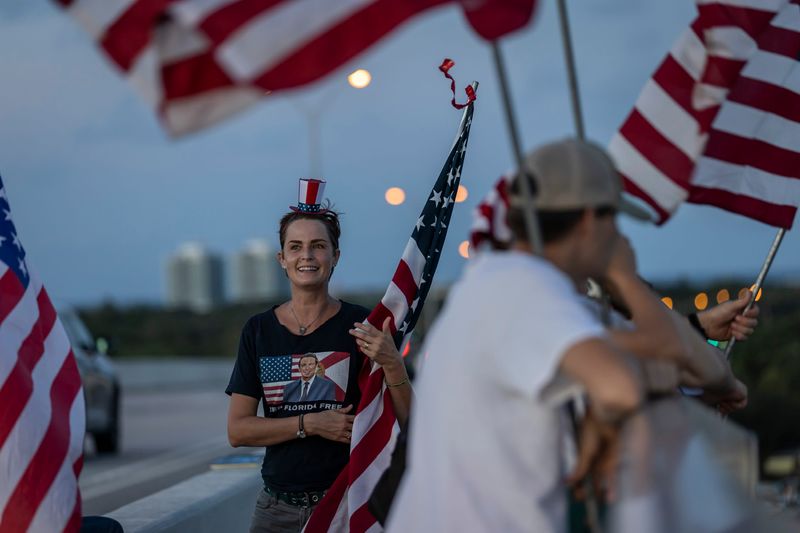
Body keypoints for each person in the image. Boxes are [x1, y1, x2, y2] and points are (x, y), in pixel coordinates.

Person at [387, 138, 699, 533]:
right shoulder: (523, 290)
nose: (619, 236)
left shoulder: (516, 288)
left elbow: (698, 366)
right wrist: (621, 274)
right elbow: (622, 386)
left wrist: (603, 416)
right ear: (589, 221)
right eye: (613, 220)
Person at [225, 179, 412, 533]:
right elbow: (238, 430)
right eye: (295, 247)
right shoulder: (258, 330)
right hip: (275, 511)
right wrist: (310, 424)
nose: (306, 256)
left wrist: (392, 362)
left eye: (318, 246)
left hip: (345, 505)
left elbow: (410, 418)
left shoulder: (363, 325)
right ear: (282, 259)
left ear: (335, 256)